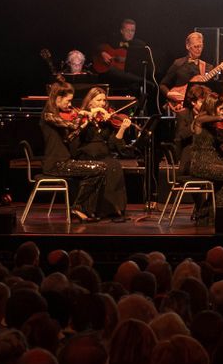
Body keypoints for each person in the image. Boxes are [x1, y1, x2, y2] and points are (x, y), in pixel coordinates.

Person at [39, 82, 107, 222]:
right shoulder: (48, 116)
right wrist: (82, 114)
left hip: (64, 161)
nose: (70, 105)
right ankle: (78, 208)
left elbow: (69, 138)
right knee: (99, 168)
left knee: (101, 168)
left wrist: (86, 123)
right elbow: (72, 125)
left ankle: (84, 209)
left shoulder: (57, 115)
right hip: (56, 164)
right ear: (58, 99)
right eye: (68, 100)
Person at [74, 88, 131, 220]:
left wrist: (122, 129)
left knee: (114, 165)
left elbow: (112, 144)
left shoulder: (106, 120)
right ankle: (98, 209)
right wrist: (91, 116)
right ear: (90, 102)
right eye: (99, 100)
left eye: (104, 100)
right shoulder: (82, 116)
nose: (102, 103)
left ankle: (115, 208)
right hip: (87, 153)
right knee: (105, 166)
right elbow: (78, 136)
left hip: (104, 153)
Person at [160, 32, 223, 110]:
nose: (199, 49)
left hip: (200, 109)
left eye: (201, 46)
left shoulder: (208, 67)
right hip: (180, 107)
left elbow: (217, 90)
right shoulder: (178, 63)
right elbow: (163, 85)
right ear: (187, 46)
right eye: (196, 46)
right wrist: (169, 94)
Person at [95, 19, 150, 93]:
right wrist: (102, 53)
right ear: (121, 31)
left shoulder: (140, 45)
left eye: (132, 31)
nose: (130, 33)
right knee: (112, 70)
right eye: (127, 30)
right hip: (112, 76)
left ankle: (144, 82)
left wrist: (126, 60)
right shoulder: (113, 41)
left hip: (130, 75)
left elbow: (143, 61)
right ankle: (144, 81)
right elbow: (96, 45)